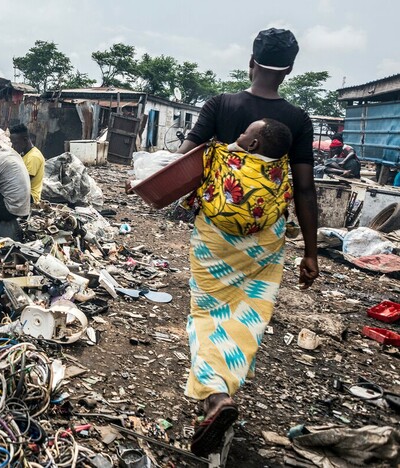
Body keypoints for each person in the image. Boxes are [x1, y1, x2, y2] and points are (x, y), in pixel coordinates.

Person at [175, 28, 319, 457]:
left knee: (206, 311)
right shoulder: (298, 119)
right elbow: (306, 189)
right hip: (266, 238)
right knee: (249, 311)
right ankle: (225, 382)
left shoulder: (221, 104)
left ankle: (215, 396)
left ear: (250, 61)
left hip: (216, 234)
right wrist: (311, 252)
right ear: (290, 70)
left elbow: (186, 162)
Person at [9, 123, 45, 203]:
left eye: (15, 143)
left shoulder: (33, 157)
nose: (12, 147)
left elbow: (23, 183)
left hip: (30, 197)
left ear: (25, 140)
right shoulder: (25, 154)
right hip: (24, 194)